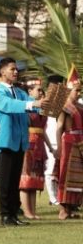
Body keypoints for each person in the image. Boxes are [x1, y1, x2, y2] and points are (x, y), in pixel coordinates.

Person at [0, 58, 47, 226]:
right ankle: (5, 215)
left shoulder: (20, 92)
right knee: (5, 181)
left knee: (15, 180)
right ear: (2, 72)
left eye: (16, 69)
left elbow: (33, 106)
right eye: (12, 69)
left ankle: (14, 214)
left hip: (21, 141)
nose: (16, 72)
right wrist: (32, 103)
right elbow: (10, 105)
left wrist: (48, 103)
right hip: (7, 141)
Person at [19, 80, 56, 219]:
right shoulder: (25, 106)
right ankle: (27, 212)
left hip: (39, 143)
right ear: (29, 92)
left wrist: (51, 148)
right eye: (38, 90)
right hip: (28, 143)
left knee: (35, 179)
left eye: (41, 90)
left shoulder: (42, 108)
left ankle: (33, 211)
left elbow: (43, 131)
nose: (41, 92)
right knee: (26, 179)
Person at [55, 78, 83, 219]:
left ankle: (71, 208)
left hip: (80, 143)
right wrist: (58, 148)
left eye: (79, 90)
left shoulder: (80, 106)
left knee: (77, 177)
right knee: (65, 176)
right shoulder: (64, 106)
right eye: (76, 90)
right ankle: (63, 210)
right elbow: (59, 128)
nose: (78, 93)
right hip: (68, 144)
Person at [45, 75, 63, 206]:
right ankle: (53, 197)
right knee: (50, 170)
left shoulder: (64, 101)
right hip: (50, 140)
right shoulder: (46, 102)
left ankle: (59, 196)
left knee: (61, 171)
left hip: (63, 139)